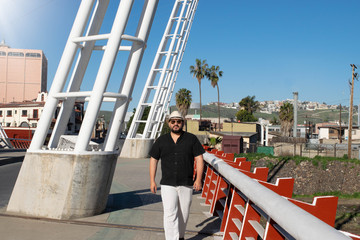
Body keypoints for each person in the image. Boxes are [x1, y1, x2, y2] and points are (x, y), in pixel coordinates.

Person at [149, 111, 205, 240]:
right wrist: (152, 181)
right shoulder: (161, 140)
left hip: (186, 182)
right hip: (167, 183)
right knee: (170, 213)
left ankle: (180, 236)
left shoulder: (191, 139)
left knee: (184, 213)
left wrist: (198, 179)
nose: (176, 124)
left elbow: (199, 158)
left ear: (182, 123)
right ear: (169, 123)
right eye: (173, 121)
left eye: (178, 121)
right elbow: (153, 160)